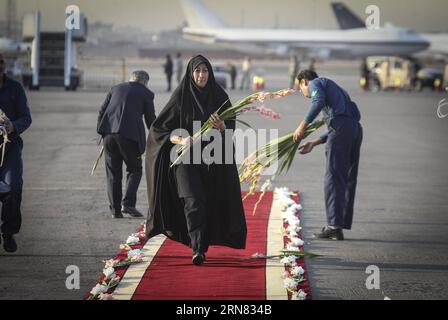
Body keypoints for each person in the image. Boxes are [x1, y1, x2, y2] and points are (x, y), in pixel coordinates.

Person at [145, 55, 247, 265]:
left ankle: (200, 242)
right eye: (197, 71)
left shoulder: (219, 97)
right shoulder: (181, 97)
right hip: (185, 159)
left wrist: (221, 127)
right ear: (191, 74)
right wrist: (179, 139)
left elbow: (230, 126)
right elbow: (160, 129)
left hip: (213, 161)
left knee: (207, 202)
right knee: (193, 201)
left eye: (205, 71)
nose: (201, 75)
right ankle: (198, 249)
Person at [293, 70, 362, 240]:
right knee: (346, 178)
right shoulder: (336, 89)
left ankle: (333, 226)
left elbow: (317, 103)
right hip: (354, 130)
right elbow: (341, 124)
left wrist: (302, 126)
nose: (302, 93)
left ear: (304, 81)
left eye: (299, 88)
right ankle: (338, 225)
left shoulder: (316, 83)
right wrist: (314, 143)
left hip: (343, 130)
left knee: (333, 178)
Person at [97, 71, 156, 219]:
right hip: (130, 138)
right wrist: (158, 137)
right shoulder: (146, 93)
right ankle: (128, 204)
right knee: (135, 170)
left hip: (109, 135)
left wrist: (101, 131)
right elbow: (150, 120)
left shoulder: (115, 88)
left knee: (113, 174)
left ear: (130, 79)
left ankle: (115, 210)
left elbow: (102, 111)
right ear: (145, 82)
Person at [0, 53, 32, 253]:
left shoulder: (15, 88)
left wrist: (12, 126)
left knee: (12, 188)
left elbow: (26, 117)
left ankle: (8, 232)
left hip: (10, 147)